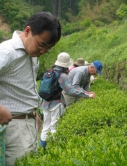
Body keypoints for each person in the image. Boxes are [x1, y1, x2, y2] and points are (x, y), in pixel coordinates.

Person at [0, 12, 61, 166]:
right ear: (27, 31)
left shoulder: (31, 55)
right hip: (12, 126)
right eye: (41, 45)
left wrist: (33, 114)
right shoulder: (7, 52)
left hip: (27, 122)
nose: (43, 52)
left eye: (48, 48)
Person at [40, 52, 93, 149]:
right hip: (56, 104)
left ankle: (42, 149)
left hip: (45, 103)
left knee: (45, 127)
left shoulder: (49, 72)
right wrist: (86, 95)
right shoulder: (62, 75)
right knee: (54, 127)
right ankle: (55, 149)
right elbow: (71, 90)